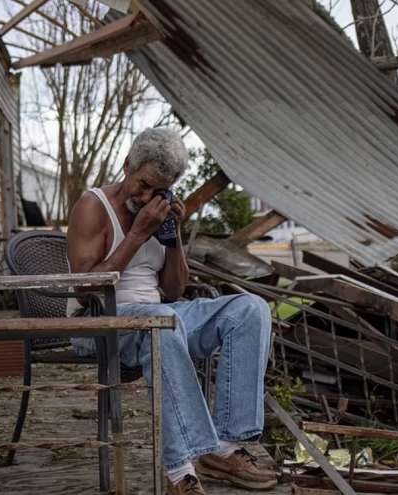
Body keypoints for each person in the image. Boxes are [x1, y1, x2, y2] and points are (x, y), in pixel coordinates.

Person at [66, 128, 276, 494]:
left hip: (159, 317)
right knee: (165, 323)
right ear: (128, 165)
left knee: (250, 310)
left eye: (158, 190)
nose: (147, 197)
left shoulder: (159, 215)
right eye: (144, 184)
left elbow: (174, 290)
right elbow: (84, 289)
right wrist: (136, 236)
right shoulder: (92, 205)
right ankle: (181, 471)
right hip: (99, 321)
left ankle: (224, 448)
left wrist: (172, 236)